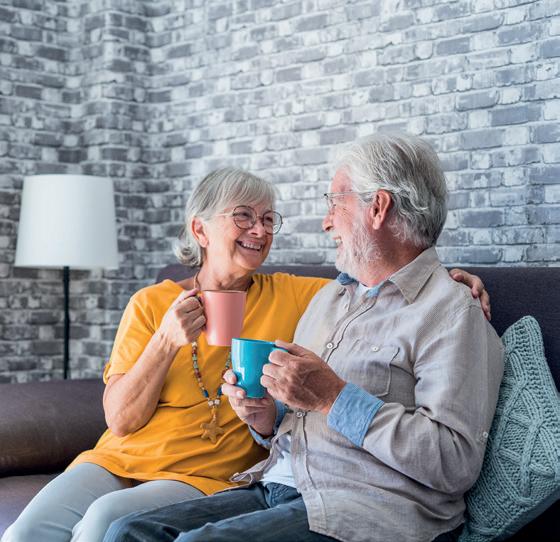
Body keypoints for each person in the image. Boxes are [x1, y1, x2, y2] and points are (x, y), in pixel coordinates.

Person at [3, 166, 487, 542]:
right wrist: (166, 340)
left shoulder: (298, 294)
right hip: (117, 459)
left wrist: (450, 279)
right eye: (244, 216)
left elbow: (381, 284)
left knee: (103, 522)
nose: (260, 229)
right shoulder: (152, 303)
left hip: (205, 474)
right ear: (200, 230)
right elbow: (121, 420)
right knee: (26, 532)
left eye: (268, 219)